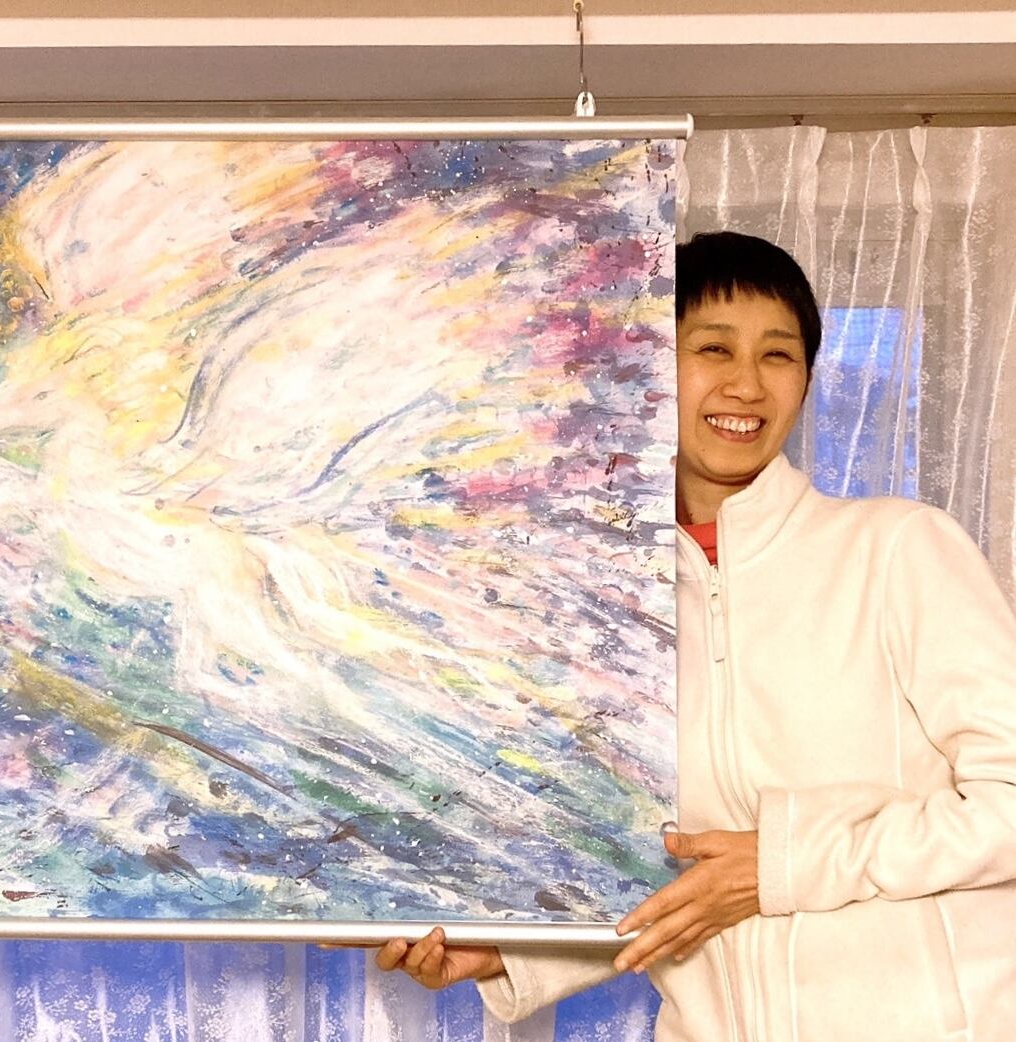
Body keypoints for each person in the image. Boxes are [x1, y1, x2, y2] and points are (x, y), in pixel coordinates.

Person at [375, 231, 1016, 1041]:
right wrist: (508, 956)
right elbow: (656, 865)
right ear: (644, 367)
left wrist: (783, 865)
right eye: (712, 348)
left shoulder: (897, 548)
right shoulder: (604, 609)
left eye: (777, 356)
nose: (745, 384)